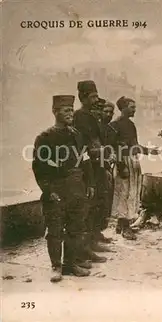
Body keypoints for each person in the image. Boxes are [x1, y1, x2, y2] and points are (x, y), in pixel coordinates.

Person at [32, 95, 95, 282]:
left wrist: (90, 183)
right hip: (57, 188)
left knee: (76, 227)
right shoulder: (45, 137)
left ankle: (70, 264)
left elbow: (85, 161)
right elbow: (39, 167)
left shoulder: (76, 134)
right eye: (66, 110)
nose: (70, 113)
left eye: (71, 109)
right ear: (55, 112)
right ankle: (56, 267)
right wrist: (48, 190)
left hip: (77, 187)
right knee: (55, 229)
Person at [110, 96, 159, 239]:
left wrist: (149, 151)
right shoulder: (115, 125)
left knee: (131, 192)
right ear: (123, 108)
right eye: (132, 107)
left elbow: (134, 145)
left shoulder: (131, 125)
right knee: (124, 193)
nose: (134, 110)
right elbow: (114, 147)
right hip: (124, 162)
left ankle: (121, 224)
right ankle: (125, 228)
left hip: (132, 161)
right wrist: (121, 166)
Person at [73, 80, 110, 262]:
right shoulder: (80, 116)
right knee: (88, 205)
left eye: (97, 95)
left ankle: (94, 239)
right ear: (83, 97)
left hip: (98, 163)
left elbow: (99, 137)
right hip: (88, 165)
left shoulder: (92, 115)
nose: (96, 99)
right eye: (93, 96)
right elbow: (84, 144)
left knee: (97, 202)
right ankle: (85, 248)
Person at [96, 99, 118, 243]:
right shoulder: (95, 129)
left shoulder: (111, 130)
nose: (109, 115)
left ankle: (98, 232)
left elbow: (115, 148)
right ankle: (92, 236)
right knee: (96, 203)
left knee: (105, 203)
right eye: (106, 112)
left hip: (107, 170)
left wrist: (113, 156)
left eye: (111, 112)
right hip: (96, 170)